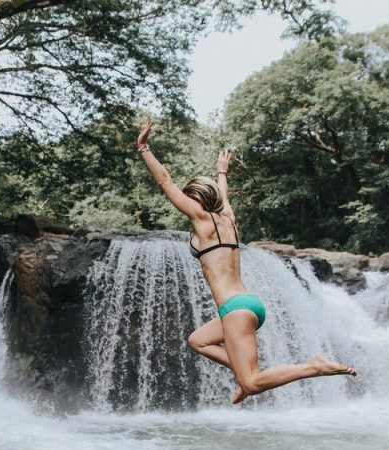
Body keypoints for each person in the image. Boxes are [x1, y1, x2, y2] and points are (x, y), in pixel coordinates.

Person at [136, 116, 356, 404]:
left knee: (252, 383)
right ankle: (242, 372)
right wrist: (222, 172)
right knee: (197, 340)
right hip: (248, 304)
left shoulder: (202, 221)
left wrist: (143, 147)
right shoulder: (228, 221)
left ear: (195, 201)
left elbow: (165, 181)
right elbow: (224, 198)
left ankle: (312, 366)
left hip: (235, 309)